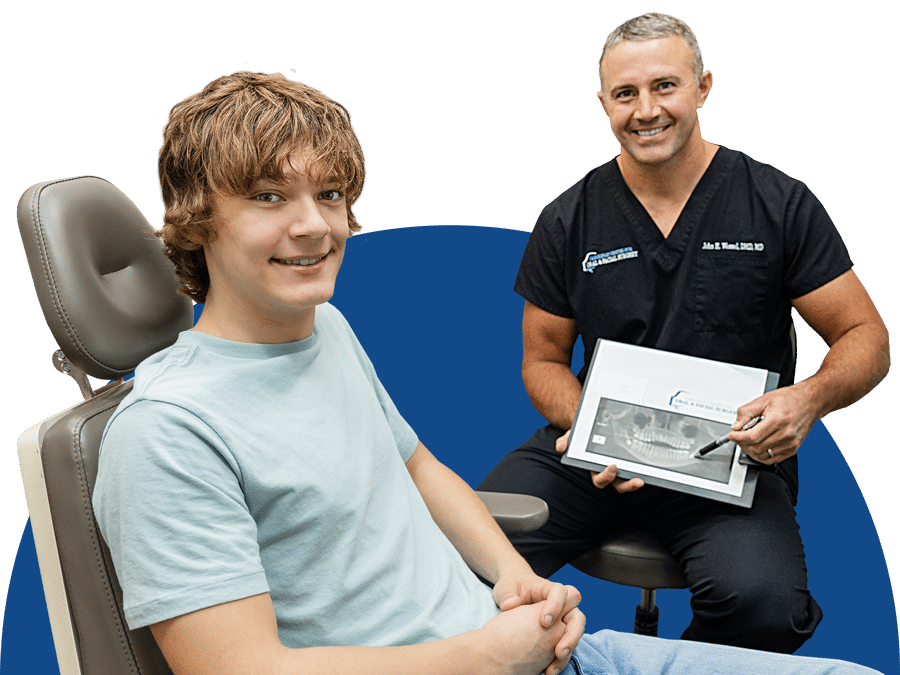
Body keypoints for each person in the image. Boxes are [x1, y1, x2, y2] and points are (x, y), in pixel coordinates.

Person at [92, 70, 883, 675]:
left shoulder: (322, 330)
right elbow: (241, 669)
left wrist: (513, 582)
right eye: (269, 196)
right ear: (197, 219)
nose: (314, 225)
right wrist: (487, 652)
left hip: (536, 636)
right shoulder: (169, 430)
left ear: (702, 89)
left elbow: (418, 465)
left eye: (329, 194)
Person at [478, 12, 890, 655]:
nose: (646, 110)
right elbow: (543, 360)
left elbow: (866, 335)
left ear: (702, 87)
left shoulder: (777, 203)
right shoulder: (568, 218)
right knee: (461, 556)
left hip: (730, 463)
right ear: (604, 104)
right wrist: (591, 430)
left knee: (765, 607)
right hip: (599, 453)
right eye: (625, 94)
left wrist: (805, 400)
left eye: (664, 86)